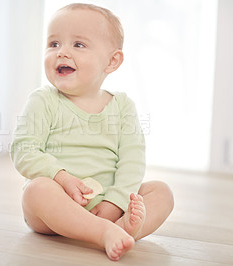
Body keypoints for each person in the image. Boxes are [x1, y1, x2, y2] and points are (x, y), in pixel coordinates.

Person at [10, 3, 174, 261]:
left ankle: (119, 230)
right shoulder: (43, 100)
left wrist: (115, 203)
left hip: (109, 203)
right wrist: (62, 178)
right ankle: (103, 233)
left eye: (78, 45)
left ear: (112, 61)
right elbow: (24, 150)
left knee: (161, 192)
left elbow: (132, 160)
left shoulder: (122, 106)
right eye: (54, 44)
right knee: (37, 190)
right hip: (55, 208)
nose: (62, 52)